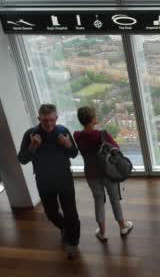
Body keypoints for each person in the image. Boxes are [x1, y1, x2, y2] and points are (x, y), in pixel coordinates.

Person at [17, 104, 80, 260]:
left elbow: (74, 154)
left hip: (64, 178)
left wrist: (68, 144)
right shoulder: (30, 134)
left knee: (71, 214)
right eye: (45, 120)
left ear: (56, 118)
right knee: (50, 213)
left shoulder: (63, 131)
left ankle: (72, 244)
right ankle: (65, 227)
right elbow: (22, 159)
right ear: (39, 119)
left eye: (52, 120)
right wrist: (32, 146)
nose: (49, 124)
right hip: (44, 181)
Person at [73, 106, 134, 242]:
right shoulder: (102, 134)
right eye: (95, 115)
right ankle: (123, 227)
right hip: (108, 172)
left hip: (91, 174)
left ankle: (102, 232)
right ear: (93, 119)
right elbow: (116, 149)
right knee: (114, 199)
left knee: (98, 201)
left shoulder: (77, 135)